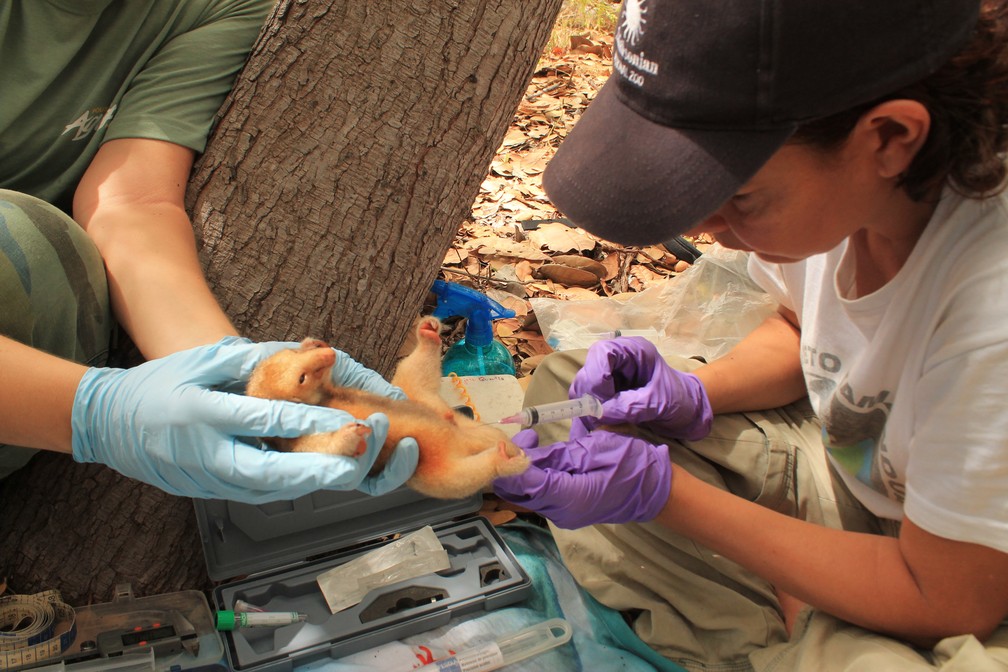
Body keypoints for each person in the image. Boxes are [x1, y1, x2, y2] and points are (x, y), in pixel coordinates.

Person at [493, 0, 1008, 669]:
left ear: (888, 139)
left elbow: (951, 597)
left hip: (960, 573)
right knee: (574, 399)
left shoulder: (989, 311)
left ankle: (798, 633)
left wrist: (668, 498)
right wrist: (693, 393)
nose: (707, 227)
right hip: (860, 480)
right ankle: (804, 616)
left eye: (739, 199)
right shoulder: (853, 195)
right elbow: (802, 329)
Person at [0, 1, 418, 503]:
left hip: (30, 309)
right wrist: (92, 412)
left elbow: (132, 201)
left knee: (36, 249)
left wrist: (226, 369)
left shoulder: (219, 7)